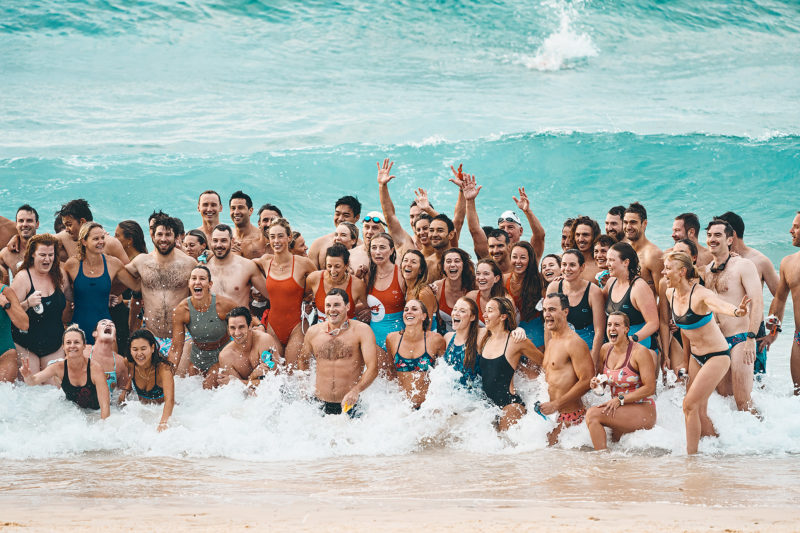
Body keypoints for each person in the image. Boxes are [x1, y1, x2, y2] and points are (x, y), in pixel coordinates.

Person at [663, 251, 750, 454]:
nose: (663, 272)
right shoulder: (670, 293)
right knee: (698, 411)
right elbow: (686, 331)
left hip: (717, 357)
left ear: (682, 271)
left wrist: (737, 311)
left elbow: (718, 304)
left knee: (689, 405)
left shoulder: (700, 294)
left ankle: (691, 458)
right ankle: (717, 450)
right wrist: (685, 360)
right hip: (696, 357)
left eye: (668, 268)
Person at [704, 219, 762, 412]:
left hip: (741, 339)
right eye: (710, 235)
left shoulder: (743, 266)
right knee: (724, 400)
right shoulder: (707, 270)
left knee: (742, 401)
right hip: (718, 341)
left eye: (718, 235)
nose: (712, 239)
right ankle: (735, 442)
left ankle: (763, 437)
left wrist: (751, 338)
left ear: (729, 240)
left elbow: (757, 303)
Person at [298, 288, 379, 415]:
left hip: (351, 403)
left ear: (347, 307)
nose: (332, 309)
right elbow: (303, 360)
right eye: (328, 305)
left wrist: (356, 390)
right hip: (319, 403)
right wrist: (304, 388)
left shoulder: (362, 330)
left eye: (336, 305)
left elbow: (373, 368)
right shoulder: (313, 332)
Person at [717, 211, 779, 375]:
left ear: (732, 235)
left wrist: (773, 332)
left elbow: (781, 296)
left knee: (756, 386)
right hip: (724, 328)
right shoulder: (719, 261)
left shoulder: (760, 261)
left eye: (720, 233)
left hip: (753, 331)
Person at [125, 216, 197, 352]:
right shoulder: (141, 262)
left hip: (182, 336)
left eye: (168, 234)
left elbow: (208, 285)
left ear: (176, 237)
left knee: (183, 375)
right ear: (152, 236)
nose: (163, 239)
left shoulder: (189, 264)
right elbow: (118, 276)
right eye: (159, 234)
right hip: (151, 336)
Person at [586, 312, 656, 450]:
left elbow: (650, 388)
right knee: (616, 445)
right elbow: (604, 381)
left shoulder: (640, 352)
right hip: (620, 408)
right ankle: (608, 463)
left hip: (643, 409)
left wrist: (620, 399)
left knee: (592, 415)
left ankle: (601, 461)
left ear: (626, 329)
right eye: (609, 324)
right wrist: (597, 384)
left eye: (617, 325)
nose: (612, 328)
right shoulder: (605, 349)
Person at [64, 222, 140, 345]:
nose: (101, 242)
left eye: (102, 238)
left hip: (105, 328)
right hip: (78, 327)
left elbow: (135, 285)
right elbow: (63, 291)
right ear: (84, 241)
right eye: (96, 239)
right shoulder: (72, 264)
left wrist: (147, 265)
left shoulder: (113, 264)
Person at [256, 218, 315, 366]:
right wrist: (209, 256)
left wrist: (311, 300)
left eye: (280, 236)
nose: (276, 240)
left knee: (293, 374)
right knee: (272, 373)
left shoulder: (303, 263)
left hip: (297, 326)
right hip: (273, 327)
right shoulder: (265, 261)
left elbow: (321, 282)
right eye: (273, 236)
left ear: (289, 237)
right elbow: (241, 265)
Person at [538, 293, 595, 445]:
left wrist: (556, 404)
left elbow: (588, 380)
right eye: (544, 310)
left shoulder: (574, 343)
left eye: (552, 309)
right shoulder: (551, 341)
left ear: (565, 312)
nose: (547, 314)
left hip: (572, 418)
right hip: (553, 417)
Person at [479, 297, 543, 430]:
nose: (484, 315)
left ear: (503, 316)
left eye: (489, 311)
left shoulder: (516, 340)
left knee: (506, 448)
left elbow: (545, 363)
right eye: (485, 311)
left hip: (510, 405)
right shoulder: (484, 338)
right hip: (487, 407)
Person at [19, 324, 110, 418]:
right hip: (73, 415)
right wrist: (27, 376)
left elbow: (105, 408)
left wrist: (101, 429)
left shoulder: (95, 369)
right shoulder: (58, 367)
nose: (72, 346)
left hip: (96, 413)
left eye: (76, 342)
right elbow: (33, 381)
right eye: (68, 342)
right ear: (63, 346)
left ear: (84, 345)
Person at [169, 265, 240, 383]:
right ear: (189, 283)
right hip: (198, 355)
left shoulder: (222, 305)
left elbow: (247, 319)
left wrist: (259, 326)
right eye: (194, 278)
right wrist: (167, 377)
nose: (197, 282)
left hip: (221, 353)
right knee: (191, 387)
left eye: (202, 279)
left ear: (210, 284)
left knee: (208, 385)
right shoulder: (181, 310)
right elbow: (176, 348)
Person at [10, 234, 69, 372]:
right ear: (32, 255)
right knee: (31, 389)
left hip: (54, 344)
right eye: (42, 254)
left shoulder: (60, 274)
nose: (47, 259)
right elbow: (8, 313)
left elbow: (73, 297)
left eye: (51, 254)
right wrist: (26, 304)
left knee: (54, 392)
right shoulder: (23, 278)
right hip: (25, 344)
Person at [547, 249, 606, 368]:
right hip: (562, 343)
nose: (567, 269)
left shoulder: (593, 291)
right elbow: (548, 326)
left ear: (582, 267)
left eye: (572, 265)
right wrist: (549, 354)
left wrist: (593, 360)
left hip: (587, 344)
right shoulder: (554, 287)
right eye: (564, 264)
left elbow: (599, 331)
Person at [763, 211, 800, 393]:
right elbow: (779, 299)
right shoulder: (788, 263)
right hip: (799, 339)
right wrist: (772, 332)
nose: (790, 231)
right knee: (798, 393)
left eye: (796, 227)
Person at [386, 299, 446, 408]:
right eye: (406, 309)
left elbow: (444, 374)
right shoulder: (392, 338)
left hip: (427, 408)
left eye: (414, 309)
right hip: (402, 408)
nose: (409, 312)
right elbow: (391, 370)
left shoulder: (436, 339)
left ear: (423, 316)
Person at [604, 242, 659, 352]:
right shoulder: (610, 283)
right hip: (617, 348)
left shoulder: (639, 287)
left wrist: (631, 339)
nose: (607, 264)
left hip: (641, 347)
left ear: (626, 262)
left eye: (611, 260)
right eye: (607, 260)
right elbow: (594, 298)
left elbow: (653, 323)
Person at [658, 239, 701, 377]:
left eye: (682, 252)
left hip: (702, 338)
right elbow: (664, 321)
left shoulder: (705, 277)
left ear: (693, 258)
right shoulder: (665, 283)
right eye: (674, 252)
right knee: (677, 383)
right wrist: (665, 354)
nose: (677, 255)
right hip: (678, 338)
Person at [123, 329, 175, 431]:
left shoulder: (163, 370)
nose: (139, 354)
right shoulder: (129, 363)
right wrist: (126, 390)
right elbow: (131, 376)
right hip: (143, 412)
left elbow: (170, 401)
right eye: (135, 349)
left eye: (143, 349)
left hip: (162, 412)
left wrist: (163, 423)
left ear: (152, 348)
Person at [216, 307, 282, 387]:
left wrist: (241, 381)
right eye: (232, 328)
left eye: (241, 327)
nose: (237, 333)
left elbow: (274, 381)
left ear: (250, 325)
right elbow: (238, 391)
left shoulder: (264, 341)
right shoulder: (226, 356)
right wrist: (253, 376)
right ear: (228, 329)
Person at [207, 224, 269, 308]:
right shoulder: (204, 268)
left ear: (232, 241)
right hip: (213, 320)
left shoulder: (247, 266)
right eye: (215, 241)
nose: (219, 245)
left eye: (223, 240)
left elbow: (271, 296)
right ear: (211, 241)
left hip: (239, 319)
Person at [365, 232, 406, 352]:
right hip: (374, 337)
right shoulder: (368, 275)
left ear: (392, 250)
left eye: (382, 247)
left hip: (398, 337)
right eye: (374, 248)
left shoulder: (401, 275)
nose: (377, 252)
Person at [306, 244, 368, 323]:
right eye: (329, 266)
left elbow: (368, 306)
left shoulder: (358, 285)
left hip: (348, 332)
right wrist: (307, 305)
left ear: (346, 265)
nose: (332, 271)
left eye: (337, 266)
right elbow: (305, 297)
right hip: (322, 331)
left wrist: (364, 312)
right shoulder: (314, 278)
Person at [55, 199, 129, 263]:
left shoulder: (110, 243)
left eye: (69, 225)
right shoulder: (65, 237)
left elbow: (129, 274)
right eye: (65, 226)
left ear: (82, 222)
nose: (66, 229)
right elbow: (44, 241)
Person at [505, 241, 545, 348]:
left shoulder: (540, 280)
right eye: (514, 257)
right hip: (513, 326)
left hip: (534, 326)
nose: (518, 261)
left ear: (530, 260)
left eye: (523, 257)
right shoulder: (504, 280)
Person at [308, 195, 362, 269]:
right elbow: (310, 277)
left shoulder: (361, 248)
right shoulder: (318, 244)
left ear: (357, 217)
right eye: (337, 214)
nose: (340, 219)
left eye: (346, 215)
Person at [114, 220, 147, 336]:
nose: (114, 239)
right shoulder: (122, 261)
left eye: (117, 236)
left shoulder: (138, 263)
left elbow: (139, 299)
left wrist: (132, 330)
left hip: (134, 321)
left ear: (130, 240)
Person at [431, 248, 476, 333]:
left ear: (463, 265)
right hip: (445, 333)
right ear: (443, 266)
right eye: (448, 261)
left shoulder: (474, 285)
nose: (452, 265)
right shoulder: (437, 287)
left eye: (457, 261)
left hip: (470, 333)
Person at [623, 202, 663, 293]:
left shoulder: (654, 255)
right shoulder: (621, 250)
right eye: (625, 222)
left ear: (644, 223)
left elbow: (662, 297)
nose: (628, 227)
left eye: (633, 222)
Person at [85, 319, 131, 398]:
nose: (108, 325)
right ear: (94, 333)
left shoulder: (120, 362)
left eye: (112, 325)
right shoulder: (83, 352)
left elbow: (124, 395)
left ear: (114, 336)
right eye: (103, 323)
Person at [466, 259, 513, 325]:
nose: (481, 278)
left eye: (486, 274)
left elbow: (511, 328)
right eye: (478, 274)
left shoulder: (506, 301)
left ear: (496, 278)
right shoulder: (471, 297)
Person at [0, 204, 39, 284]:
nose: (24, 224)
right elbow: (3, 288)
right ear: (16, 225)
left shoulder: (49, 248)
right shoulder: (5, 254)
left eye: (29, 220)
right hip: (18, 295)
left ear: (37, 224)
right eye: (21, 221)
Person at [0, 279, 29, 382]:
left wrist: (6, 305)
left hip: (4, 354)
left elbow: (24, 325)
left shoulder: (5, 291)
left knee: (5, 397)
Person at [400, 250, 437, 329]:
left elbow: (427, 328)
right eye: (405, 260)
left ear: (420, 270)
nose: (408, 264)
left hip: (425, 336)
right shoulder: (405, 287)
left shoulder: (423, 293)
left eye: (413, 262)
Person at [228, 191, 262, 259]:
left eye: (240, 208)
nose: (236, 212)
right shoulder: (228, 238)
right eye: (233, 208)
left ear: (250, 211)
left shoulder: (260, 238)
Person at [569, 216, 602, 282]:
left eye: (585, 235)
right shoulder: (564, 262)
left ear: (594, 237)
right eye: (577, 235)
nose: (580, 239)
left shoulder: (600, 267)